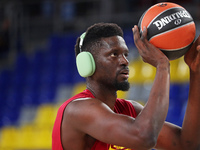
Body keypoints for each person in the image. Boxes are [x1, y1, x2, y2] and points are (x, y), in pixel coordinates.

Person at [52, 22, 200, 150]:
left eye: (126, 54)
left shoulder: (130, 109)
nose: (125, 61)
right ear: (87, 64)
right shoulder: (77, 110)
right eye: (114, 54)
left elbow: (187, 145)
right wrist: (162, 65)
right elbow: (144, 137)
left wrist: (195, 71)